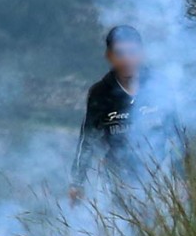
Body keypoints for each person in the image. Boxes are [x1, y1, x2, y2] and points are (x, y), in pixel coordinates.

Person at [69, 25, 175, 205]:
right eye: (119, 53)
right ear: (109, 56)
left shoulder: (160, 86)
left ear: (142, 53)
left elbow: (177, 135)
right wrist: (77, 182)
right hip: (117, 179)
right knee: (124, 228)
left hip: (160, 176)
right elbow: (88, 139)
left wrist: (181, 178)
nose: (127, 59)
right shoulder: (101, 93)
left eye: (132, 52)